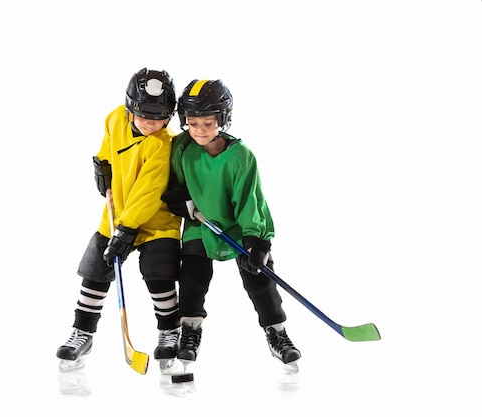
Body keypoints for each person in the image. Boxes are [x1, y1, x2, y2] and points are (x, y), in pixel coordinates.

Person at [161, 79, 302, 367]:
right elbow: (172, 183)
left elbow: (251, 200)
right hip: (201, 225)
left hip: (238, 226)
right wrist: (179, 200)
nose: (199, 130)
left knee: (259, 279)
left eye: (208, 123)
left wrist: (257, 239)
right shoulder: (182, 148)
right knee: (192, 278)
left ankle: (277, 332)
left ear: (223, 119)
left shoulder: (241, 157)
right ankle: (189, 330)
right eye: (193, 122)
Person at [56, 68, 182, 369]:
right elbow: (108, 148)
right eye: (144, 116)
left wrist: (126, 230)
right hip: (117, 213)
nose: (151, 123)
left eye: (160, 117)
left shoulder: (163, 145)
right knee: (95, 270)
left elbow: (149, 193)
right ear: (129, 109)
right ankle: (82, 332)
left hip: (154, 221)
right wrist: (103, 166)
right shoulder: (115, 118)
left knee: (158, 271)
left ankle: (169, 331)